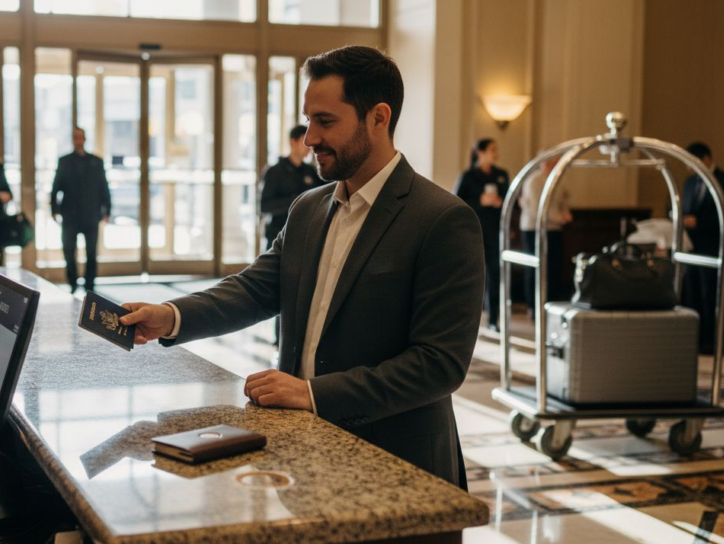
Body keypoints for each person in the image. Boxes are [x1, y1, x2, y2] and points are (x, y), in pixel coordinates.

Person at [118, 46, 485, 489]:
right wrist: (171, 316)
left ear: (378, 117)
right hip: (305, 455)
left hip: (399, 467)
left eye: (325, 121)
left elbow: (439, 364)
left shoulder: (442, 219)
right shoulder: (308, 208)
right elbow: (255, 290)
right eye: (308, 120)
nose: (309, 138)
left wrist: (312, 393)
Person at [682, 142, 724, 351]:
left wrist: (699, 222)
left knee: (712, 296)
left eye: (692, 162)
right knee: (693, 294)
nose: (689, 168)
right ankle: (696, 341)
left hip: (715, 248)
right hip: (692, 248)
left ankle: (714, 342)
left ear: (705, 159)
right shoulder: (690, 183)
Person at [455, 138, 509, 331]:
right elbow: (457, 203)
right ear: (480, 153)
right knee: (471, 275)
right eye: (492, 149)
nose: (496, 153)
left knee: (495, 274)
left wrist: (500, 202)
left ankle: (493, 319)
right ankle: (466, 320)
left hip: (495, 231)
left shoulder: (501, 175)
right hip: (472, 231)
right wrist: (480, 201)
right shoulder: (468, 176)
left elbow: (510, 200)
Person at [50, 127, 110, 293]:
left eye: (80, 137)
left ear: (84, 139)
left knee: (91, 253)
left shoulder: (96, 162)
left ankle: (90, 286)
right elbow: (56, 186)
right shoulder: (64, 161)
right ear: (72, 140)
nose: (78, 140)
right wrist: (54, 209)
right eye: (75, 137)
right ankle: (72, 283)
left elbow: (103, 187)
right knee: (69, 251)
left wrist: (107, 210)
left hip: (91, 214)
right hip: (70, 215)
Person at [519, 157, 572, 314]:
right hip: (534, 229)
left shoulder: (558, 180)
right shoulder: (534, 181)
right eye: (553, 164)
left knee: (553, 268)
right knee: (535, 268)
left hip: (554, 229)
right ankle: (533, 306)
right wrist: (559, 218)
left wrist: (565, 213)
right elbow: (537, 209)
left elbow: (564, 200)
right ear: (545, 164)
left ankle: (550, 304)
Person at [260, 124, 324, 250]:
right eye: (304, 142)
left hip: (305, 234)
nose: (309, 147)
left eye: (310, 143)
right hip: (279, 234)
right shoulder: (275, 171)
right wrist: (296, 201)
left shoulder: (311, 171)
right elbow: (265, 205)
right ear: (293, 142)